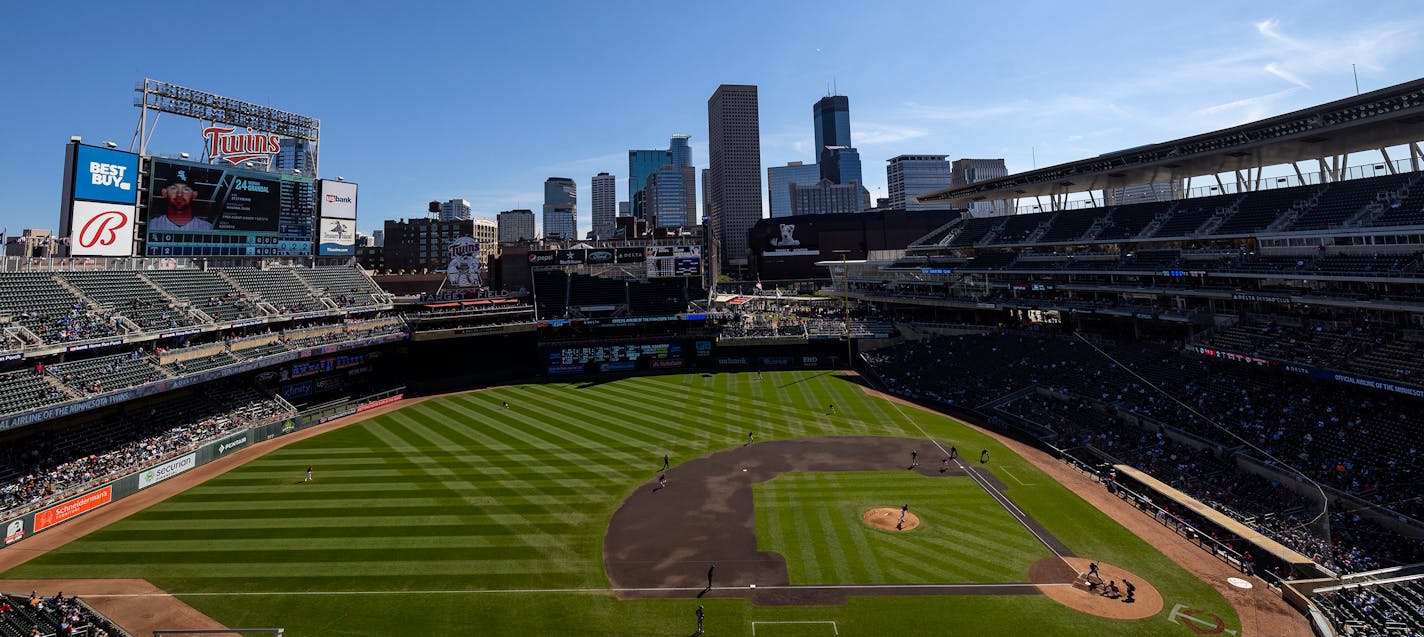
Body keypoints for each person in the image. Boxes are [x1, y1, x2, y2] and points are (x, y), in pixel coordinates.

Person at [150, 171, 214, 232]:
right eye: (174, 188)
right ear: (164, 192)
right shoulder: (152, 225)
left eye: (186, 189)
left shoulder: (207, 228)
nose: (179, 194)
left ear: (194, 194)